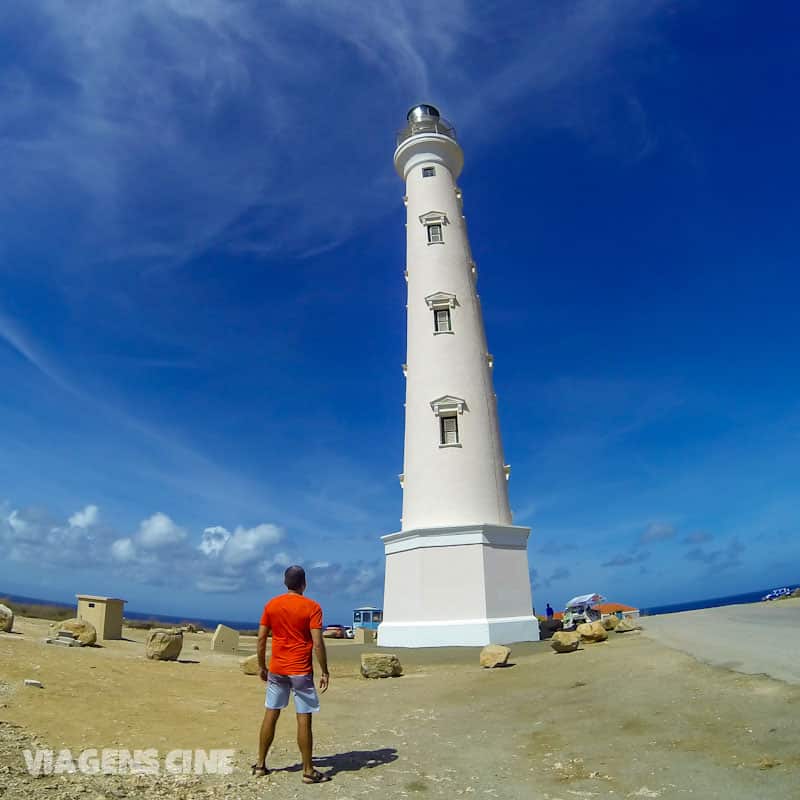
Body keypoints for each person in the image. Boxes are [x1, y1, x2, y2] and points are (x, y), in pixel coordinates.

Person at [253, 565, 330, 784]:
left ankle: (260, 765)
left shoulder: (272, 605)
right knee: (303, 718)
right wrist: (325, 670)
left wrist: (261, 666)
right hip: (301, 671)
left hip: (277, 669)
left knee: (271, 713)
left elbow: (261, 639)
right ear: (304, 583)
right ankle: (308, 770)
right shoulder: (312, 607)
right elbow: (317, 642)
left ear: (285, 582)